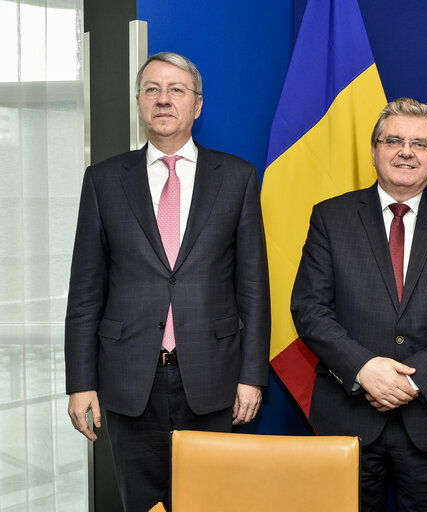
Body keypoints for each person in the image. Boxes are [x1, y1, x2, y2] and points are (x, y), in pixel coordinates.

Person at [65, 52, 270, 511]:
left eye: (176, 90)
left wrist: (253, 376)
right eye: (152, 89)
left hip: (214, 379)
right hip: (128, 380)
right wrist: (80, 382)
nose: (163, 99)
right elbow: (85, 292)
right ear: (139, 102)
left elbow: (253, 288)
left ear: (197, 105)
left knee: (212, 502)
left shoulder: (237, 178)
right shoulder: (103, 181)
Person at [290, 98, 427, 512]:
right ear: (374, 150)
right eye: (394, 140)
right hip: (347, 422)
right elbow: (309, 309)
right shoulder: (331, 218)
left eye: (420, 144)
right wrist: (364, 369)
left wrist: (411, 383)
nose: (406, 151)